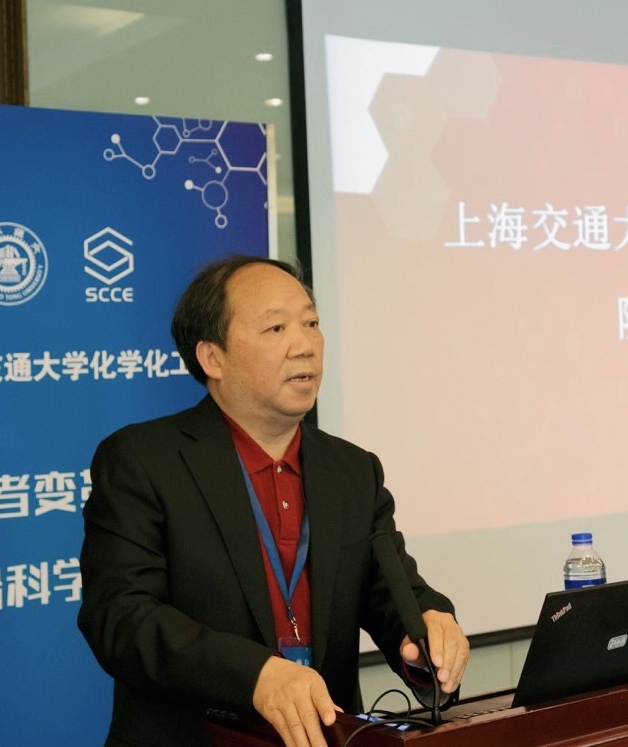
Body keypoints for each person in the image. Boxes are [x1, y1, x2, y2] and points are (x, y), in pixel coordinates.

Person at [78, 254, 470, 747]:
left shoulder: (352, 470)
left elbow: (393, 593)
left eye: (312, 324)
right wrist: (256, 674)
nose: (305, 345)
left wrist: (427, 633)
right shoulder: (144, 460)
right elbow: (121, 617)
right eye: (276, 328)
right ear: (212, 358)